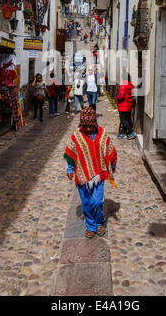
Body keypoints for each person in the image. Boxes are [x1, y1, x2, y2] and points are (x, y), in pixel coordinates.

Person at [64, 107, 118, 239]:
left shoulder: (103, 134)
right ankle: (91, 225)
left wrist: (113, 166)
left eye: (90, 126)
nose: (88, 129)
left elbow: (111, 151)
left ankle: (99, 221)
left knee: (97, 202)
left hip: (99, 174)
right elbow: (71, 154)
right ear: (81, 125)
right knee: (87, 203)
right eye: (85, 126)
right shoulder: (76, 136)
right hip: (82, 176)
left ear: (95, 123)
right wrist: (70, 169)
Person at [116, 74, 137, 140]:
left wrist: (117, 98)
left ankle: (131, 132)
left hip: (123, 106)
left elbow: (121, 96)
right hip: (129, 106)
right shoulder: (131, 85)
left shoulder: (123, 86)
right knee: (127, 119)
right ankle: (123, 133)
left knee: (123, 120)